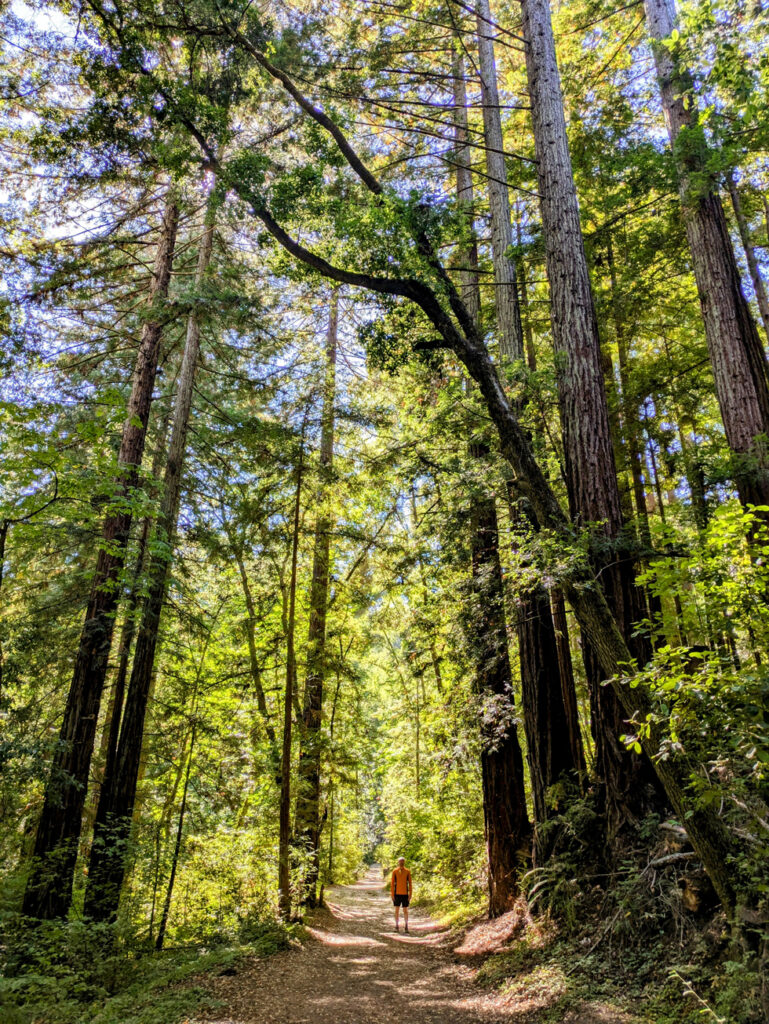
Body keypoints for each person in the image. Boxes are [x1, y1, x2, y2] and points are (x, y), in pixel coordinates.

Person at [391, 856, 412, 933]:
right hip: (397, 894)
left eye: (402, 861)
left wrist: (410, 894)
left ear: (404, 862)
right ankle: (396, 926)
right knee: (396, 910)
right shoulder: (395, 871)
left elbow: (410, 883)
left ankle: (406, 926)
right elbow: (392, 883)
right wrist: (392, 894)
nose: (401, 863)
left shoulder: (407, 871)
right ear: (398, 862)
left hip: (405, 894)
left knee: (405, 910)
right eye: (400, 861)